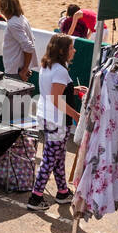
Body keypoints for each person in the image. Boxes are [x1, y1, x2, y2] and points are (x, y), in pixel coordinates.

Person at [27, 34, 81, 211]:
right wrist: (76, 115)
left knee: (57, 156)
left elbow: (54, 91)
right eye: (71, 47)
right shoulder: (60, 70)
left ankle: (63, 192)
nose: (74, 50)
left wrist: (73, 89)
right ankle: (35, 197)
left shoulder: (48, 66)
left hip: (47, 117)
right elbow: (56, 99)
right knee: (50, 158)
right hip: (56, 120)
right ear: (62, 50)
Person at [0, 0, 35, 79]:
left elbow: (29, 47)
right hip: (17, 69)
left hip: (15, 71)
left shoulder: (13, 24)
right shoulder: (21, 19)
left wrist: (25, 69)